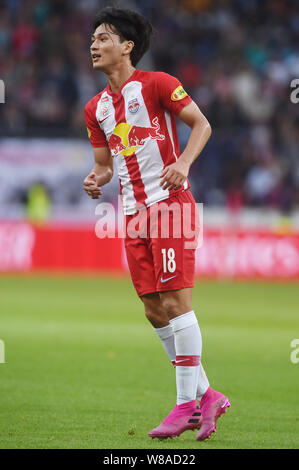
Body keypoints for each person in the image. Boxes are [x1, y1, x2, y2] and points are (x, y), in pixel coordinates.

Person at [83, 6, 230, 441]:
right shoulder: (95, 108)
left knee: (176, 303)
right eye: (92, 38)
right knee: (153, 310)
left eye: (104, 38)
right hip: (131, 216)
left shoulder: (159, 84)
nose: (94, 44)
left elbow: (201, 125)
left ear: (127, 47)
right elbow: (104, 166)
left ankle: (186, 404)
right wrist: (96, 179)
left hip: (169, 206)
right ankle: (208, 397)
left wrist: (183, 162)